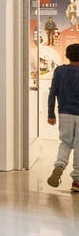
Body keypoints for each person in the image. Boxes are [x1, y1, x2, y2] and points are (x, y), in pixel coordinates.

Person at [49, 43, 79, 190]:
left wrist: (50, 113)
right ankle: (77, 181)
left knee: (65, 142)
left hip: (64, 112)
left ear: (67, 56)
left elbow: (53, 92)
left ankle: (59, 166)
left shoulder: (60, 71)